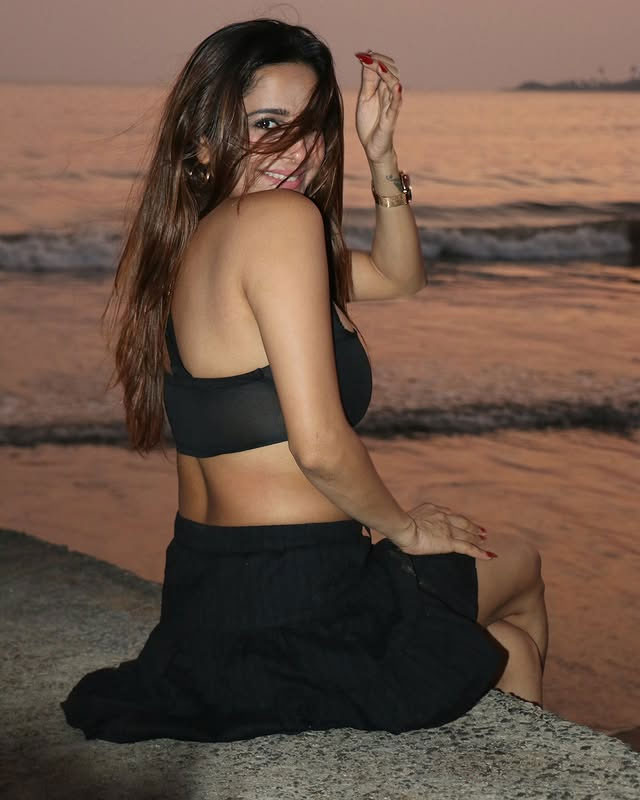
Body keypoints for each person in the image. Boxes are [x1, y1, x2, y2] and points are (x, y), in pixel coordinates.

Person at [61, 18, 547, 744]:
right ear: (203, 139)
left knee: (508, 651)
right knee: (521, 564)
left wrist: (382, 156)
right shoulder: (278, 223)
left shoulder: (199, 239)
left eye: (313, 125)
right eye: (267, 123)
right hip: (306, 603)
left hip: (210, 608)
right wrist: (404, 527)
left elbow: (399, 277)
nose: (299, 148)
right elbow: (319, 446)